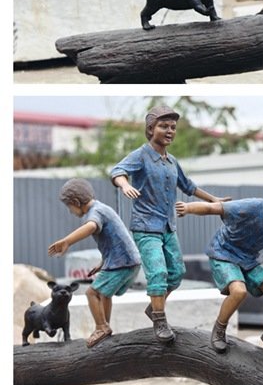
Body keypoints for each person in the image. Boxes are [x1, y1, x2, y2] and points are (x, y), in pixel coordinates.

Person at [110, 105, 228, 343]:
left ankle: (154, 307)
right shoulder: (141, 155)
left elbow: (189, 186)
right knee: (158, 272)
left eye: (173, 127)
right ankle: (160, 320)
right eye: (164, 126)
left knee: (176, 273)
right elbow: (117, 171)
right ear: (151, 128)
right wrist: (125, 185)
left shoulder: (172, 161)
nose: (170, 131)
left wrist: (214, 201)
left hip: (167, 226)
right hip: (146, 227)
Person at [176, 175, 263, 353]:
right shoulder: (251, 207)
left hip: (248, 259)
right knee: (239, 291)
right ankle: (219, 329)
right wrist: (188, 208)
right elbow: (214, 208)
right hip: (223, 253)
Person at [48, 178, 141, 348]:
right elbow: (117, 240)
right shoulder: (103, 208)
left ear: (76, 202)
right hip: (128, 261)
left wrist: (67, 241)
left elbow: (91, 227)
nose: (70, 212)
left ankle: (101, 327)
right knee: (104, 294)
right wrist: (103, 263)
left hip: (122, 263)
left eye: (70, 207)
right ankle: (105, 325)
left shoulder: (95, 213)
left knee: (91, 293)